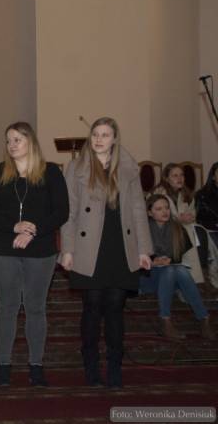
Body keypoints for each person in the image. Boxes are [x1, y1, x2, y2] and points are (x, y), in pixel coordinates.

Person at [60, 117, 152, 388]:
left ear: (115, 139)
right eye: (95, 134)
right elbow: (69, 213)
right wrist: (67, 250)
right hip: (89, 247)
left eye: (105, 135)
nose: (99, 139)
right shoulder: (77, 168)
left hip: (121, 246)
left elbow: (138, 210)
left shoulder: (128, 167)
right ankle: (90, 365)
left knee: (115, 307)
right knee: (92, 306)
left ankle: (114, 366)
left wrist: (144, 249)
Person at [0, 122, 69, 388]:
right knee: (7, 307)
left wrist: (33, 231)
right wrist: (14, 226)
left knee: (36, 308)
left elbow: (61, 211)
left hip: (41, 249)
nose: (12, 145)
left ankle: (36, 365)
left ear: (31, 141)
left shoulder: (51, 172)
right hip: (4, 248)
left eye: (17, 139)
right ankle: (4, 365)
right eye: (8, 140)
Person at [141, 195, 215, 340]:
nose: (165, 211)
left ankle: (202, 319)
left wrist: (169, 260)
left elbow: (179, 257)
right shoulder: (143, 230)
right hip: (148, 276)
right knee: (173, 270)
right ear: (149, 212)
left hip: (171, 276)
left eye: (167, 208)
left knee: (178, 269)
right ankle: (171, 319)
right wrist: (153, 262)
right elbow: (135, 260)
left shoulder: (177, 228)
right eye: (159, 209)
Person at [154, 164, 205, 283]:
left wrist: (190, 217)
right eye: (175, 175)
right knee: (187, 233)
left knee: (201, 233)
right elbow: (157, 216)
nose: (179, 178)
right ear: (166, 178)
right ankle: (191, 278)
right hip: (162, 228)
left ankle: (198, 276)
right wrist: (179, 219)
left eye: (182, 175)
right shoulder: (159, 193)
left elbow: (192, 212)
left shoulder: (185, 193)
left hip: (184, 225)